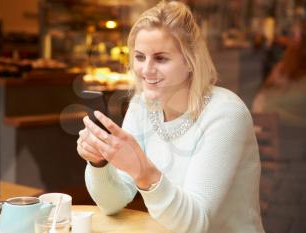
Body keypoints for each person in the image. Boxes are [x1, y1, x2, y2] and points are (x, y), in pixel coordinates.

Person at [76, 1, 265, 232]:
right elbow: (111, 204)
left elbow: (196, 224)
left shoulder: (225, 114)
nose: (146, 69)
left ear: (190, 61)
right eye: (140, 57)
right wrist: (99, 163)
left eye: (161, 58)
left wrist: (142, 171)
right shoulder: (141, 106)